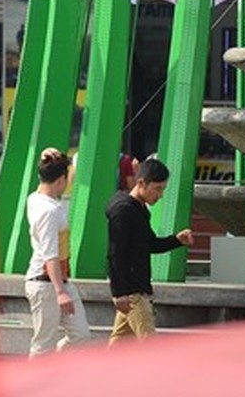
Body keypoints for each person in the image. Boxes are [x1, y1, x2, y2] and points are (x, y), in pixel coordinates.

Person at [106, 158, 193, 344]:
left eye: (163, 189)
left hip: (135, 289)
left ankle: (93, 374)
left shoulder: (139, 208)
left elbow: (149, 244)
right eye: (157, 188)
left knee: (118, 347)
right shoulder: (124, 210)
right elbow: (115, 253)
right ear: (140, 183)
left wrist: (176, 240)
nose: (160, 194)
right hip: (132, 293)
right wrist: (119, 292)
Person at [25, 148, 90, 356]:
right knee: (43, 345)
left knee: (81, 335)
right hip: (45, 282)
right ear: (61, 179)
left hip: (58, 279)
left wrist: (45, 154)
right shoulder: (48, 211)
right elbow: (50, 254)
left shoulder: (36, 198)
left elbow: (44, 177)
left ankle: (53, 368)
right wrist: (60, 292)